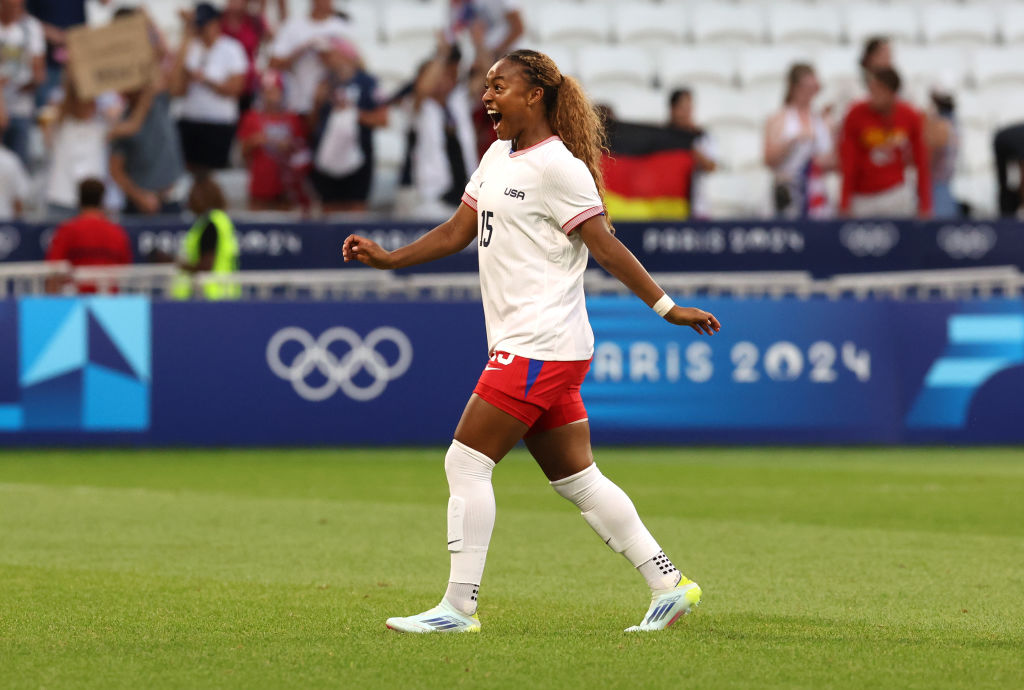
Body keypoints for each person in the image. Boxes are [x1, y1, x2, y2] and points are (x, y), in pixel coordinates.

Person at [343, 49, 721, 634]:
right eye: (487, 87)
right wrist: (392, 259)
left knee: (465, 461)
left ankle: (458, 608)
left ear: (535, 95)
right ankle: (669, 584)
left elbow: (605, 246)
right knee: (578, 479)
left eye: (500, 86)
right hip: (540, 345)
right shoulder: (497, 155)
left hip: (540, 344)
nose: (487, 96)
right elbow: (456, 231)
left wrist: (666, 307)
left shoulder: (558, 167)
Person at [395, 41, 478, 219]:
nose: (441, 81)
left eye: (445, 75)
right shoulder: (417, 107)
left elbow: (485, 76)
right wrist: (441, 55)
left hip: (468, 195)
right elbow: (423, 89)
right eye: (436, 76)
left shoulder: (458, 103)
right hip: (431, 197)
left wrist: (478, 41)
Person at [839, 67, 931, 219]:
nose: (872, 97)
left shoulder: (910, 116)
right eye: (871, 91)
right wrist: (844, 201)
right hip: (863, 196)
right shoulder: (855, 114)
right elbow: (848, 161)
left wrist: (925, 203)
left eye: (878, 92)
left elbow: (921, 161)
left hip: (895, 194)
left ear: (890, 92)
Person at [171, 2, 248, 172]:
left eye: (203, 24)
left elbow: (236, 89)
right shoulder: (189, 47)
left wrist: (205, 80)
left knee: (214, 174)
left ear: (216, 23)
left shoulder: (232, 49)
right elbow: (176, 89)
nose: (201, 29)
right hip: (189, 120)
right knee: (188, 172)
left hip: (219, 123)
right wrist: (186, 34)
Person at [109, 68, 186, 216]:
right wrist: (139, 197)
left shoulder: (160, 103)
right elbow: (115, 170)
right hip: (142, 205)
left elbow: (178, 82)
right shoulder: (123, 124)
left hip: (172, 199)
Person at [764, 64, 835, 219]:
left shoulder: (822, 121)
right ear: (794, 87)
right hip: (788, 192)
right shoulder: (778, 119)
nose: (809, 93)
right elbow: (769, 159)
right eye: (805, 87)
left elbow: (834, 163)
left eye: (813, 88)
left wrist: (816, 161)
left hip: (815, 192)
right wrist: (793, 142)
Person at [238, 70, 310, 211]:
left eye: (274, 91)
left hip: (287, 186)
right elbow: (242, 152)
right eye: (266, 91)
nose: (270, 96)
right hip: (261, 185)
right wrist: (255, 141)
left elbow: (303, 151)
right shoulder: (251, 117)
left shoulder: (293, 118)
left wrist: (289, 145)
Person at [44, 177, 132, 293]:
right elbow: (125, 270)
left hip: (74, 303)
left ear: (79, 200)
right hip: (110, 304)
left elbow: (54, 269)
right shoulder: (117, 232)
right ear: (102, 201)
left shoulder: (67, 230)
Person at [268, 0, 352, 117]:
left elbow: (354, 67)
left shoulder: (342, 29)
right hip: (296, 105)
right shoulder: (292, 26)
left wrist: (330, 56)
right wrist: (303, 49)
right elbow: (273, 65)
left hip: (330, 107)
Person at [172, 173, 240, 300]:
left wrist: (176, 263)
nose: (189, 200)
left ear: (202, 196)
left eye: (192, 194)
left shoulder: (210, 225)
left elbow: (206, 265)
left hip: (211, 297)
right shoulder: (221, 221)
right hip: (224, 294)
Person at [0, 0, 45, 168]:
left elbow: (39, 71)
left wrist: (30, 81)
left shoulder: (31, 27)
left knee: (19, 166)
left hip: (21, 107)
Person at [667, 88, 716, 220]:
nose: (687, 113)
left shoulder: (701, 137)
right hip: (669, 206)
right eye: (682, 108)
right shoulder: (662, 137)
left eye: (689, 108)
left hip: (697, 206)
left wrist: (691, 147)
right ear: (672, 109)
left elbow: (711, 166)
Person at [924, 81, 959, 219]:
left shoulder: (941, 124)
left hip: (937, 188)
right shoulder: (952, 123)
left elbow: (930, 156)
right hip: (940, 187)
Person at [993, 123, 1024, 218]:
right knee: (1004, 185)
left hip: (1003, 139)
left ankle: (1006, 212)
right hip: (1009, 141)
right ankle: (1007, 213)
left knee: (1004, 185)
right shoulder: (1019, 139)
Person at [0, 126, 29, 219]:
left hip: (5, 223)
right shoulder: (10, 160)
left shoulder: (10, 160)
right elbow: (19, 201)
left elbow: (19, 200)